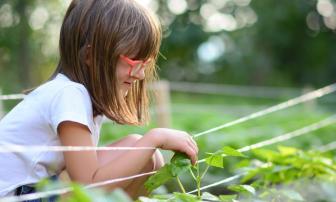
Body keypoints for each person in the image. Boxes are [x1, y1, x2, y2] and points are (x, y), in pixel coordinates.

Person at [0, 0, 198, 200]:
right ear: (90, 55)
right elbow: (91, 184)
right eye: (133, 62)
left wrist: (148, 146)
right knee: (141, 149)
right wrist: (155, 138)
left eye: (145, 63)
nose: (140, 74)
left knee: (144, 155)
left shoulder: (75, 94)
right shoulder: (69, 94)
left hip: (29, 192)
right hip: (15, 196)